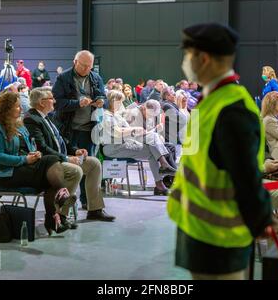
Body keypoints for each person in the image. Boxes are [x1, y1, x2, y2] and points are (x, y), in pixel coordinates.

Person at [168, 22, 274, 280]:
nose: (185, 61)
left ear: (203, 59)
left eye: (187, 55)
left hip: (220, 236)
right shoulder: (211, 99)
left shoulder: (232, 110)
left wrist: (261, 220)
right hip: (197, 226)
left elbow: (246, 176)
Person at [0, 92, 75, 235]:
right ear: (6, 109)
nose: (21, 109)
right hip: (5, 174)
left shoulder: (20, 126)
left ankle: (52, 219)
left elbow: (27, 148)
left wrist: (33, 153)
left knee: (50, 177)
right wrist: (24, 160)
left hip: (20, 168)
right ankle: (62, 196)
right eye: (17, 107)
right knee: (51, 160)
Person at [24, 87, 115, 222]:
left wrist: (75, 150)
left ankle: (95, 209)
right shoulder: (31, 119)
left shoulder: (47, 117)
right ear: (41, 102)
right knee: (76, 169)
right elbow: (42, 148)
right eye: (51, 98)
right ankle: (61, 215)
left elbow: (60, 141)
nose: (54, 101)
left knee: (94, 163)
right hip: (49, 164)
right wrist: (67, 158)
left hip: (61, 158)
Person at [52, 50, 106, 209]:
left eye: (89, 66)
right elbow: (57, 103)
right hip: (68, 129)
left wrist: (102, 101)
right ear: (75, 62)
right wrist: (77, 104)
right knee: (69, 166)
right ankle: (64, 202)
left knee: (88, 166)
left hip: (89, 129)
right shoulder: (63, 78)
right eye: (83, 65)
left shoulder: (96, 77)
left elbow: (103, 96)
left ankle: (86, 202)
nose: (86, 69)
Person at [101, 90, 176, 195]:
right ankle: (163, 170)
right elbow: (117, 133)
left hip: (125, 143)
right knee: (153, 146)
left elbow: (129, 131)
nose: (122, 104)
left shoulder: (116, 115)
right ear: (113, 101)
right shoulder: (107, 115)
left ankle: (161, 180)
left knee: (153, 148)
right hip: (113, 147)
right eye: (120, 101)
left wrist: (140, 132)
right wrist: (135, 130)